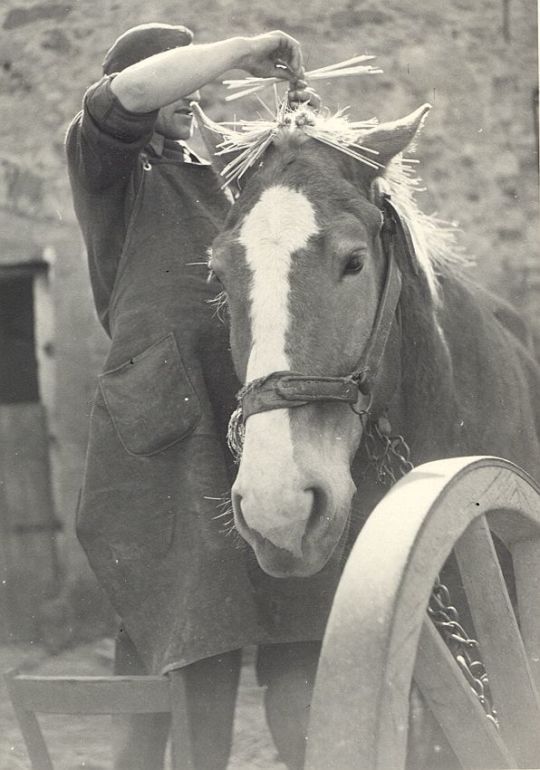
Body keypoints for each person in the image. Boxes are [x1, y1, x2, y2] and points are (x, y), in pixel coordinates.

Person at [66, 23, 337, 770]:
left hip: (248, 414)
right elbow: (126, 97)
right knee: (189, 641)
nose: (193, 96)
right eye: (174, 82)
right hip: (168, 429)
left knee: (299, 625)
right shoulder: (103, 164)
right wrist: (245, 50)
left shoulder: (220, 174)